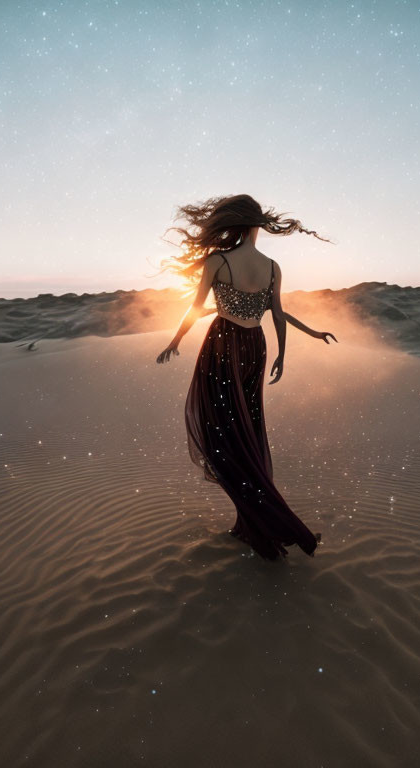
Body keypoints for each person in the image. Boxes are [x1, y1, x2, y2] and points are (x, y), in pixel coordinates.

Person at [156, 194, 338, 560]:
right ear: (258, 223)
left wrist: (175, 341)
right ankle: (252, 521)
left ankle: (267, 522)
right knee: (247, 433)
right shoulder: (272, 266)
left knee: (224, 435)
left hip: (223, 347)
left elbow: (194, 308)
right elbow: (278, 316)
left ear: (234, 223)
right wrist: (284, 354)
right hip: (256, 347)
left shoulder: (218, 261)